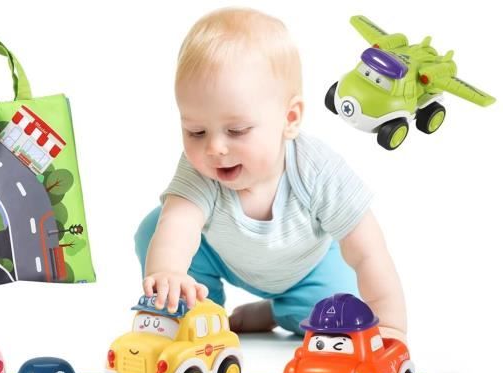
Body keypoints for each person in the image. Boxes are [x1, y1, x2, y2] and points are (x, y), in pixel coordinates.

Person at [135, 8, 406, 339]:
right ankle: (202, 313)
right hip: (221, 257)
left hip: (307, 269)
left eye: (236, 130)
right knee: (156, 227)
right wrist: (168, 271)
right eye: (196, 132)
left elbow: (368, 252)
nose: (214, 147)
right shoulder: (200, 168)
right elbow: (178, 223)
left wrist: (390, 326)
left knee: (333, 317)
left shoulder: (317, 170)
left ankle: (277, 310)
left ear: (289, 119)